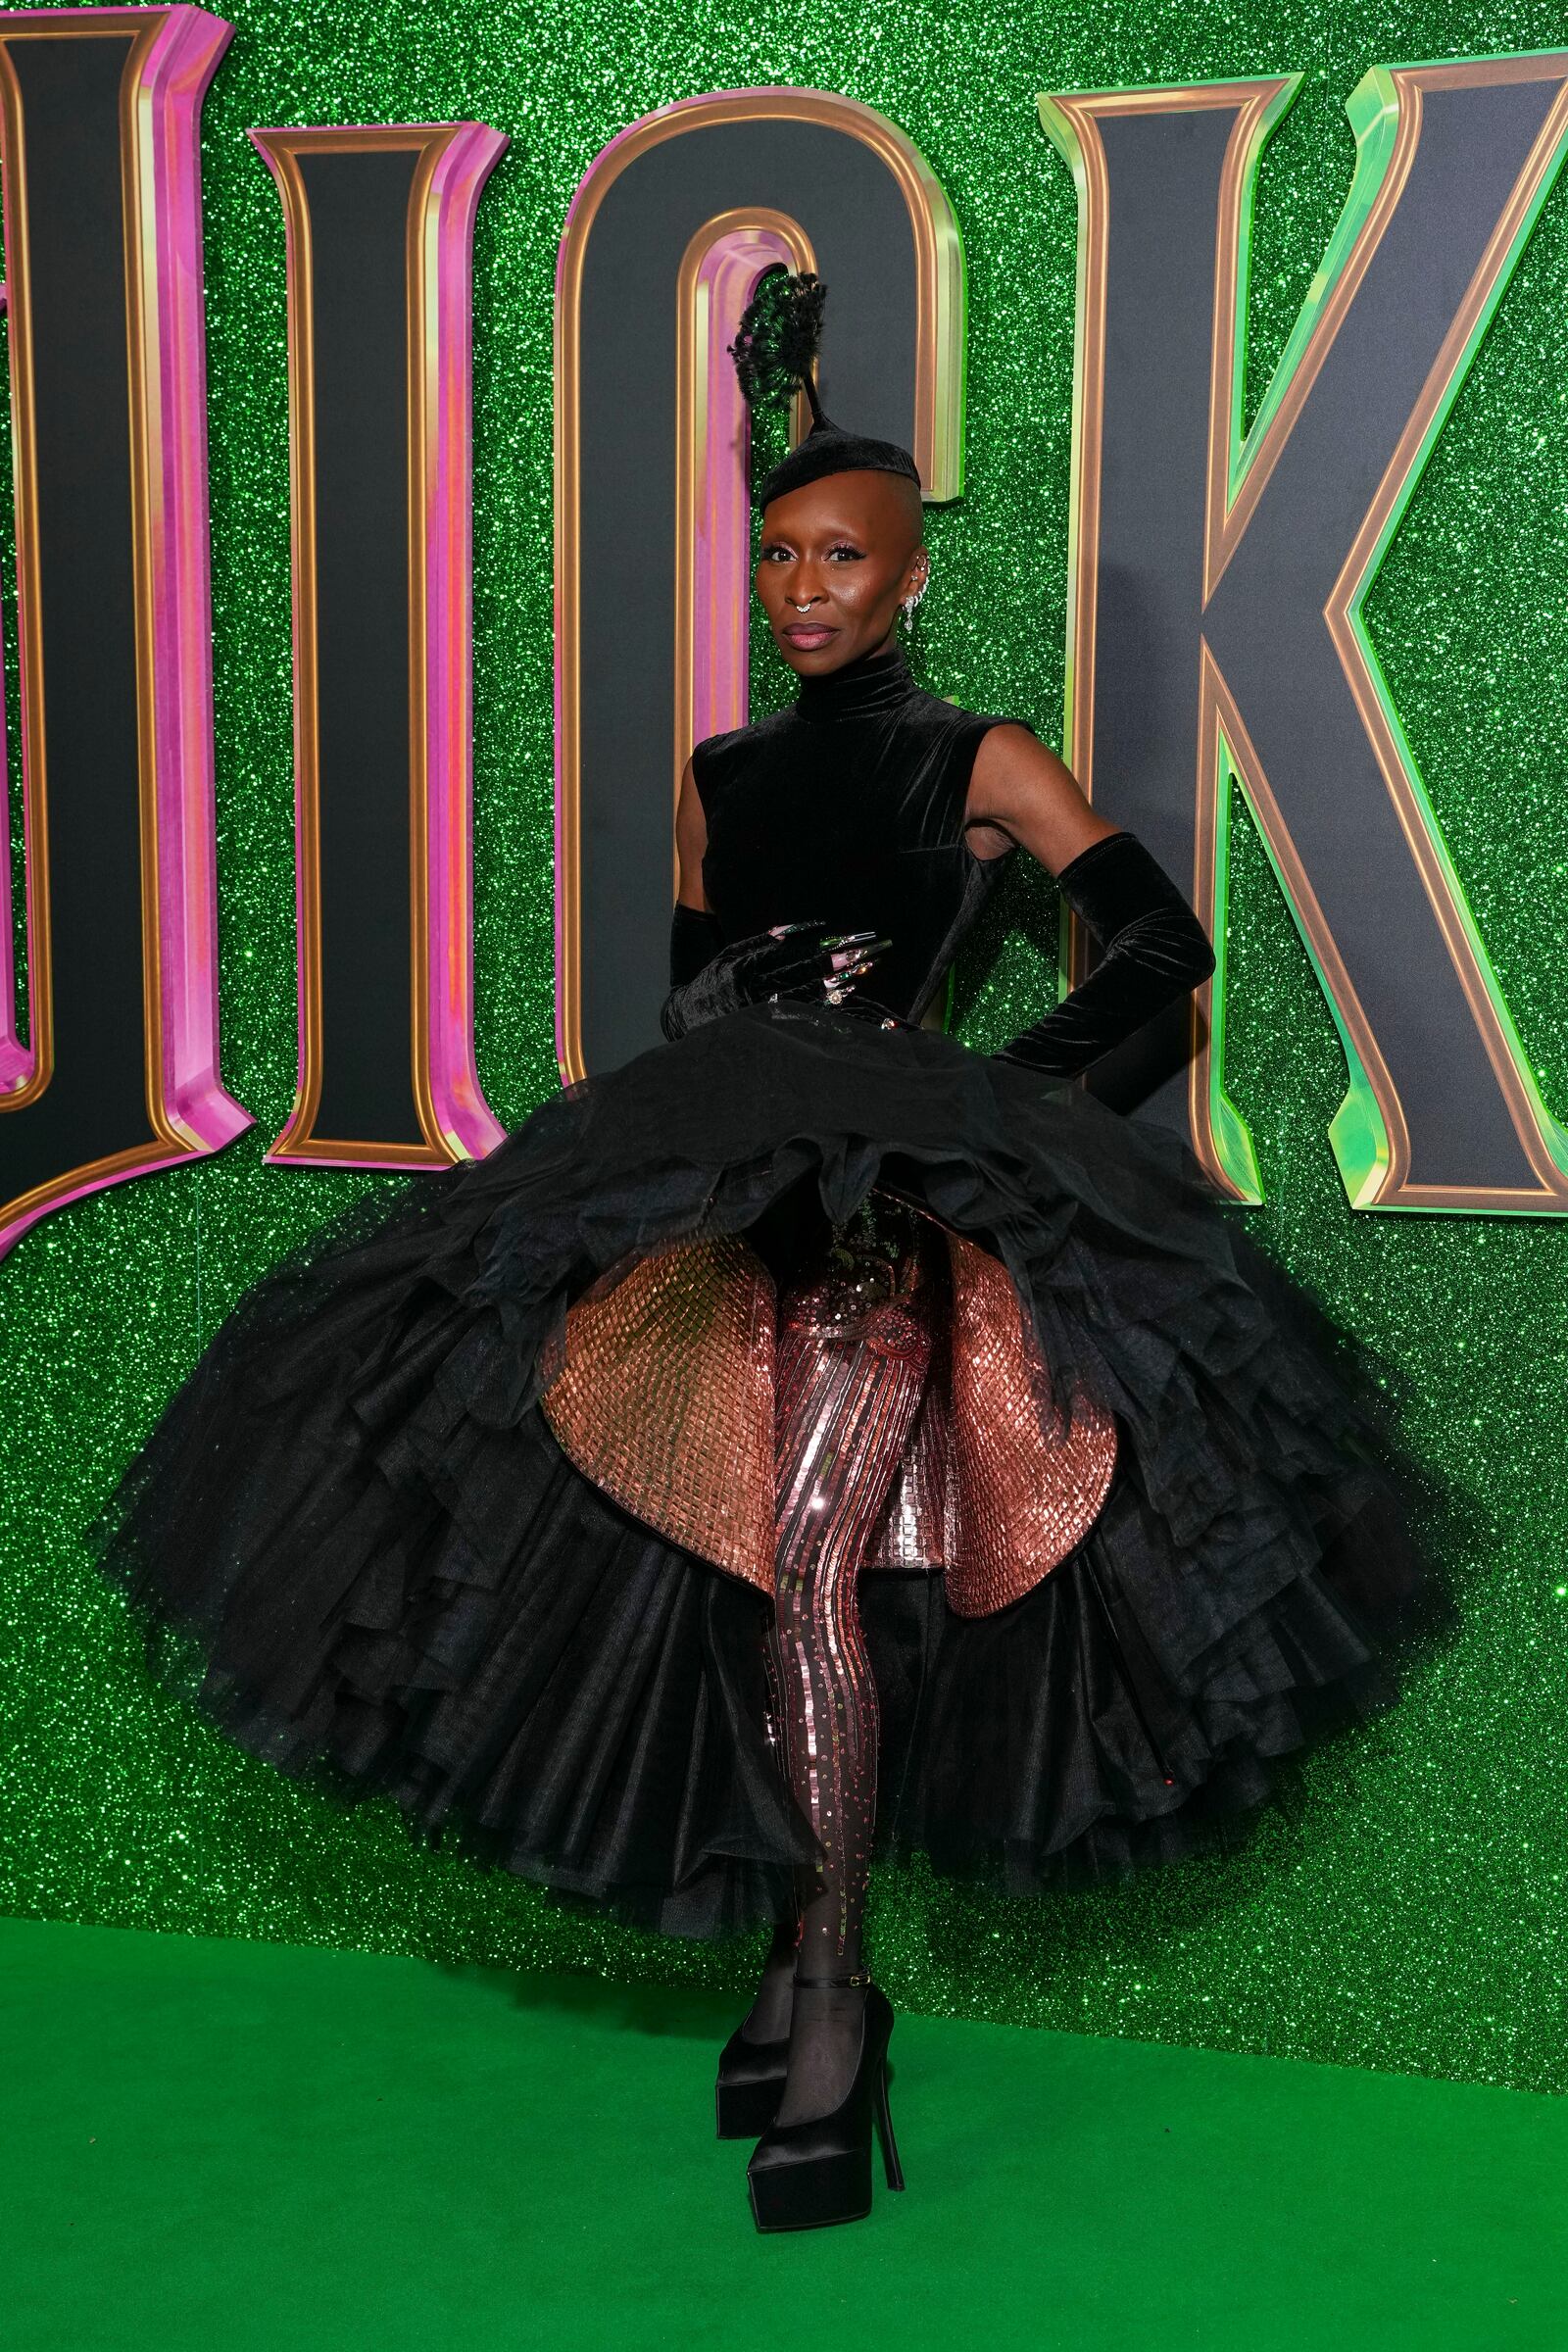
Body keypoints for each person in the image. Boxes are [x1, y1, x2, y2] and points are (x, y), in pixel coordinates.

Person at [91, 267, 1424, 2236]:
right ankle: (795, 1968)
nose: (802, 589)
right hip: (713, 1201)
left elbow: (1159, 956)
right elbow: (690, 996)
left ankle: (830, 1994)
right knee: (712, 1564)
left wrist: (988, 1101)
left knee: (815, 1567)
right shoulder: (722, 781)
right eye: (780, 554)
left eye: (840, 559)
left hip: (892, 1207)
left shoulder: (976, 760)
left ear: (899, 582)